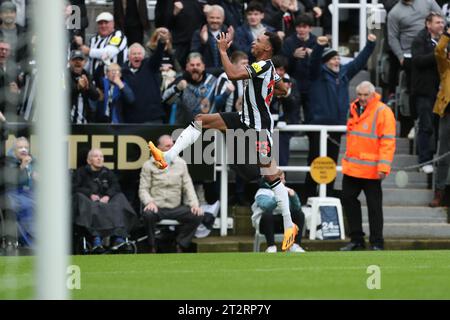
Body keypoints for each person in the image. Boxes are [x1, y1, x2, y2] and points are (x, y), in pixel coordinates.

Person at [149, 31, 300, 252]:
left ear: (267, 49)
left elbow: (231, 74)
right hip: (242, 118)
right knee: (201, 120)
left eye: (258, 41)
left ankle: (289, 225)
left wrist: (221, 49)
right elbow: (283, 88)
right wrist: (276, 92)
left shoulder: (262, 66)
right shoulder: (267, 70)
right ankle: (168, 157)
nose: (253, 42)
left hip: (258, 128)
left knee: (271, 176)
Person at [303, 34, 377, 200]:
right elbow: (314, 61)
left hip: (336, 127)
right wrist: (320, 46)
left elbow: (358, 62)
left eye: (338, 58)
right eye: (333, 58)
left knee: (330, 164)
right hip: (317, 126)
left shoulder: (343, 73)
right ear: (326, 61)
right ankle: (308, 196)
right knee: (314, 162)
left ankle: (327, 196)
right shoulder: (317, 73)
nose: (337, 61)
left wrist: (371, 44)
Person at [340, 82, 396, 251]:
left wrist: (383, 167)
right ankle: (357, 240)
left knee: (374, 207)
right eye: (360, 95)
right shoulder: (353, 108)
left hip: (372, 169)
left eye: (366, 95)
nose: (362, 98)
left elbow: (388, 141)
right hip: (353, 167)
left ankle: (377, 242)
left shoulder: (383, 111)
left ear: (373, 95)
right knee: (348, 199)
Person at [139, 135, 203, 253]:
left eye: (173, 145)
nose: (172, 148)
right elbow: (143, 189)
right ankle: (152, 246)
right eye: (168, 146)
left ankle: (180, 243)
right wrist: (149, 202)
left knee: (197, 214)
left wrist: (195, 204)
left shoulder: (181, 163)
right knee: (147, 215)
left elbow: (188, 187)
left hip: (176, 208)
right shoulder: (148, 165)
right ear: (159, 148)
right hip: (157, 207)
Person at [387, 0, 442, 137]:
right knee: (417, 85)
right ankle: (415, 120)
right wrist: (400, 56)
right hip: (410, 54)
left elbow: (442, 20)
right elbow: (392, 37)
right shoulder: (395, 12)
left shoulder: (428, 2)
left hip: (434, 46)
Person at [72, 148, 138, 254]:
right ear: (89, 160)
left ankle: (118, 238)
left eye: (101, 156)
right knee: (81, 199)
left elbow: (115, 186)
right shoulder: (81, 172)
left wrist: (107, 196)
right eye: (96, 156)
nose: (99, 159)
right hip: (89, 202)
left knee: (119, 198)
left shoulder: (107, 172)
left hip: (106, 203)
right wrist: (89, 194)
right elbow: (74, 187)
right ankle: (96, 238)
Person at [411, 12, 445, 174]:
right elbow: (418, 61)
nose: (441, 25)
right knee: (426, 126)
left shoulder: (444, 42)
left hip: (441, 93)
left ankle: (437, 159)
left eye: (442, 22)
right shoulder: (419, 40)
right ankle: (424, 160)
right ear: (428, 24)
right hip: (424, 91)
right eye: (438, 22)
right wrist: (438, 55)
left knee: (439, 128)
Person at [121, 28, 170, 124]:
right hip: (131, 121)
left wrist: (162, 42)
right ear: (129, 57)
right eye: (134, 54)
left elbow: (157, 56)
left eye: (139, 54)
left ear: (143, 56)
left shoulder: (150, 66)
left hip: (152, 119)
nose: (136, 56)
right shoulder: (123, 72)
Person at [162, 52, 224, 125]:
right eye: (192, 65)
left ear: (203, 66)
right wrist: (177, 88)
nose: (195, 67)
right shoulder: (180, 80)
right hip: (185, 127)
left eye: (198, 65)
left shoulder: (212, 80)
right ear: (187, 67)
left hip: (208, 127)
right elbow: (164, 99)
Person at [251, 171, 305, 253]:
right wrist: (278, 196)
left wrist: (293, 196)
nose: (284, 182)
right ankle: (271, 247)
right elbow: (267, 207)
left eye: (284, 179)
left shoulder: (287, 190)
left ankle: (295, 245)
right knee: (267, 215)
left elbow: (297, 208)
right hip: (265, 226)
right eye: (282, 179)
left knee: (299, 214)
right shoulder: (262, 192)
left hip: (283, 224)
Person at [74, 12, 128, 85]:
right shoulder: (94, 39)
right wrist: (81, 72)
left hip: (114, 83)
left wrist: (89, 51)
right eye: (100, 23)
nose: (103, 25)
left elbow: (108, 53)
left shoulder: (118, 35)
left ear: (113, 23)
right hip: (95, 83)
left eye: (106, 23)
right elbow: (90, 61)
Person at [281, 13, 316, 123]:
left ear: (310, 28)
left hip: (311, 84)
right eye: (299, 27)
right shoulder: (288, 42)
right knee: (293, 114)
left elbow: (322, 64)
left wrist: (314, 56)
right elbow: (283, 64)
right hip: (293, 83)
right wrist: (293, 56)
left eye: (304, 27)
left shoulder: (316, 42)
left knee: (311, 114)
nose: (301, 30)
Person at [3, 137, 36, 248]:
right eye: (20, 147)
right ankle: (30, 244)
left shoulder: (32, 161)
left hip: (30, 193)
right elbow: (8, 181)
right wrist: (22, 166)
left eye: (26, 147)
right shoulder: (8, 161)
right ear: (14, 149)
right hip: (12, 193)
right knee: (26, 206)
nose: (23, 150)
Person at [429, 29, 450, 207]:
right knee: (443, 155)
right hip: (447, 113)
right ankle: (439, 191)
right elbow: (438, 51)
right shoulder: (445, 67)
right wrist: (447, 34)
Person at [154, 0, 206, 67]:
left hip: (198, 42)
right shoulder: (167, 2)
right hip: (177, 43)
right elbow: (160, 24)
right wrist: (174, 14)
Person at [191, 4, 235, 76]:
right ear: (207, 18)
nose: (215, 20)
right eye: (212, 17)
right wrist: (203, 42)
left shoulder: (228, 32)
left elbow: (238, 54)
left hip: (226, 73)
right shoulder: (198, 33)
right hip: (205, 73)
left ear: (223, 18)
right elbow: (194, 55)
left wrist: (231, 41)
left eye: (218, 18)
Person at [68, 49, 100, 124]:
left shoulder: (87, 75)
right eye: (74, 60)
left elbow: (96, 96)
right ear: (69, 62)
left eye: (80, 60)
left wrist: (88, 87)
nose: (78, 62)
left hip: (84, 121)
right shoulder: (63, 75)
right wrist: (78, 87)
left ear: (85, 62)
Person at [0, 39, 21, 122]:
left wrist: (17, 92)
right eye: (1, 49)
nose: (4, 52)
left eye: (6, 50)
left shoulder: (14, 68)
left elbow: (19, 90)